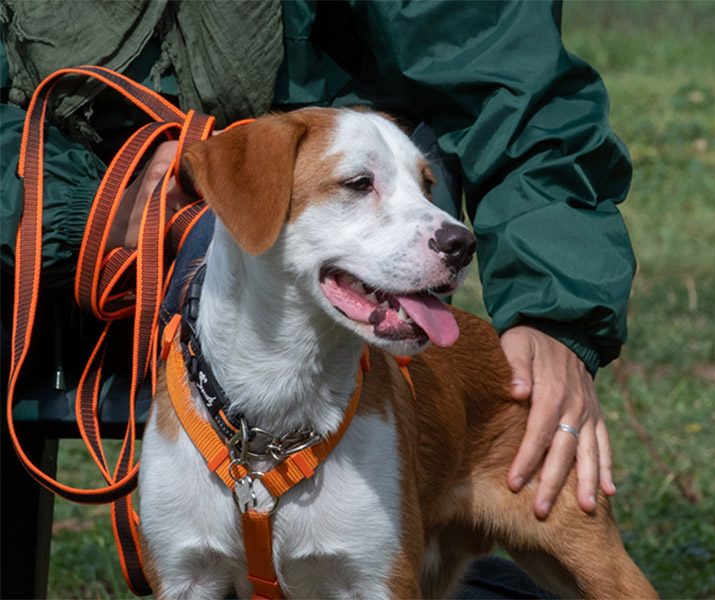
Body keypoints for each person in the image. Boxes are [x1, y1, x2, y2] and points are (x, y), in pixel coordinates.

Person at [1, 0, 633, 542]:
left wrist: (555, 310)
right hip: (51, 225)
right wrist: (80, 208)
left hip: (314, 211)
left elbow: (500, 61)